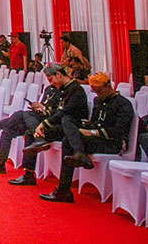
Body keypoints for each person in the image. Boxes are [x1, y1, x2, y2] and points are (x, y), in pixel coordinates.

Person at [40, 72, 135, 203]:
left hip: (111, 142)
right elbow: (94, 121)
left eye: (99, 91)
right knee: (67, 122)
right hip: (95, 136)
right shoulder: (98, 100)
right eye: (95, 91)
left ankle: (64, 189)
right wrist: (85, 127)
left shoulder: (123, 105)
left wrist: (92, 133)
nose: (97, 94)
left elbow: (119, 131)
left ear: (108, 86)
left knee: (68, 141)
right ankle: (78, 155)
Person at [0, 64, 64, 173]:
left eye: (51, 79)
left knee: (22, 115)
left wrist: (44, 109)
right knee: (8, 129)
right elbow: (45, 104)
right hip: (38, 118)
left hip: (51, 122)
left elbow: (61, 112)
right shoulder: (49, 89)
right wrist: (39, 106)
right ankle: (0, 163)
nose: (50, 82)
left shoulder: (65, 91)